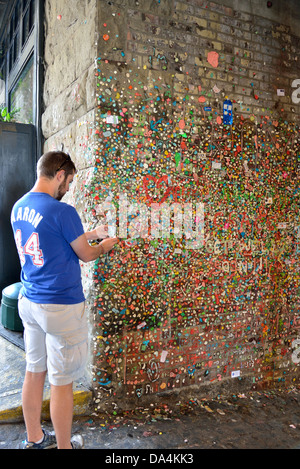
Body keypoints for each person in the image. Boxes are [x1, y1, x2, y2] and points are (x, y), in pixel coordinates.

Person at [10, 151, 119, 449]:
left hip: (30, 301)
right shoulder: (63, 211)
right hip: (60, 307)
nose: (69, 188)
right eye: (69, 181)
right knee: (61, 380)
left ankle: (34, 439)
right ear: (59, 174)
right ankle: (64, 447)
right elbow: (84, 253)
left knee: (34, 371)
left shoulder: (18, 207)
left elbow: (52, 239)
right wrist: (103, 245)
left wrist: (91, 232)